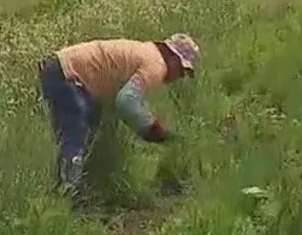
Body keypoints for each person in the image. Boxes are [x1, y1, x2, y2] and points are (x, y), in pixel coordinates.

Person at [38, 33, 201, 198]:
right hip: (67, 75)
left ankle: (78, 186)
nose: (179, 77)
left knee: (91, 129)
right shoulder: (157, 65)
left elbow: (128, 97)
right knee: (75, 134)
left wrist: (147, 119)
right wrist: (152, 130)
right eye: (181, 71)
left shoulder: (147, 52)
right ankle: (68, 194)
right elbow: (126, 102)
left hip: (62, 69)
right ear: (173, 58)